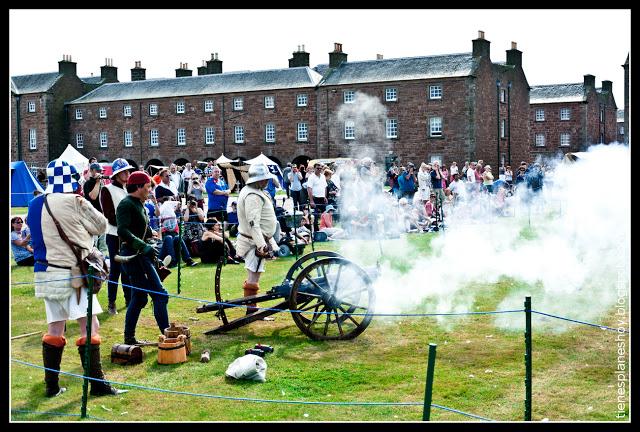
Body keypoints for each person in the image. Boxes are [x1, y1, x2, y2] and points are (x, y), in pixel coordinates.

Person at [26, 159, 123, 397]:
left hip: (45, 271)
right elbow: (100, 226)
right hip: (73, 272)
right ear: (71, 178)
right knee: (90, 325)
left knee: (55, 327)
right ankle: (97, 384)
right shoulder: (76, 201)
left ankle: (51, 387)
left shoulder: (34, 203)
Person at [116, 171, 171, 345]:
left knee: (139, 298)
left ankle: (129, 337)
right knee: (160, 295)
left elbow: (139, 227)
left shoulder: (139, 204)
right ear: (138, 187)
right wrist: (143, 245)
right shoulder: (126, 204)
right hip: (134, 256)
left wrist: (150, 236)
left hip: (142, 255)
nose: (149, 190)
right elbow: (122, 231)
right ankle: (168, 335)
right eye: (147, 187)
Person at [235, 163, 280, 314]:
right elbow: (253, 223)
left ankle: (252, 308)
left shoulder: (253, 191)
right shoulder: (252, 195)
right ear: (259, 180)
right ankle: (251, 310)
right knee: (253, 275)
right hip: (253, 242)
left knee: (255, 273)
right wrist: (261, 245)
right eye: (265, 179)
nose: (267, 181)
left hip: (258, 240)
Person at [100, 158, 134, 315]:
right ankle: (111, 302)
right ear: (117, 174)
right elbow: (109, 215)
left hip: (128, 235)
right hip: (114, 235)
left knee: (128, 269)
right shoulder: (107, 190)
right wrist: (126, 225)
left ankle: (129, 299)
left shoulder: (128, 190)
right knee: (115, 270)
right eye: (124, 171)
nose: (127, 174)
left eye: (128, 171)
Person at [83, 162, 108, 255]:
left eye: (101, 172)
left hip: (102, 216)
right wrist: (98, 183)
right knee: (93, 243)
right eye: (98, 171)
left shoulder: (102, 183)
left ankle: (103, 262)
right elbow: (93, 196)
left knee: (103, 245)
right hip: (91, 217)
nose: (100, 173)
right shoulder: (88, 184)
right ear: (92, 171)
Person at [306, 163, 328, 233]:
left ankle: (326, 229)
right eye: (318, 168)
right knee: (314, 216)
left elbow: (325, 187)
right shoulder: (311, 177)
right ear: (314, 168)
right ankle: (316, 231)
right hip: (315, 198)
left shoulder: (323, 176)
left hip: (322, 198)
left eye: (320, 168)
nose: (319, 169)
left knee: (325, 215)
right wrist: (311, 201)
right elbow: (309, 189)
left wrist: (325, 197)